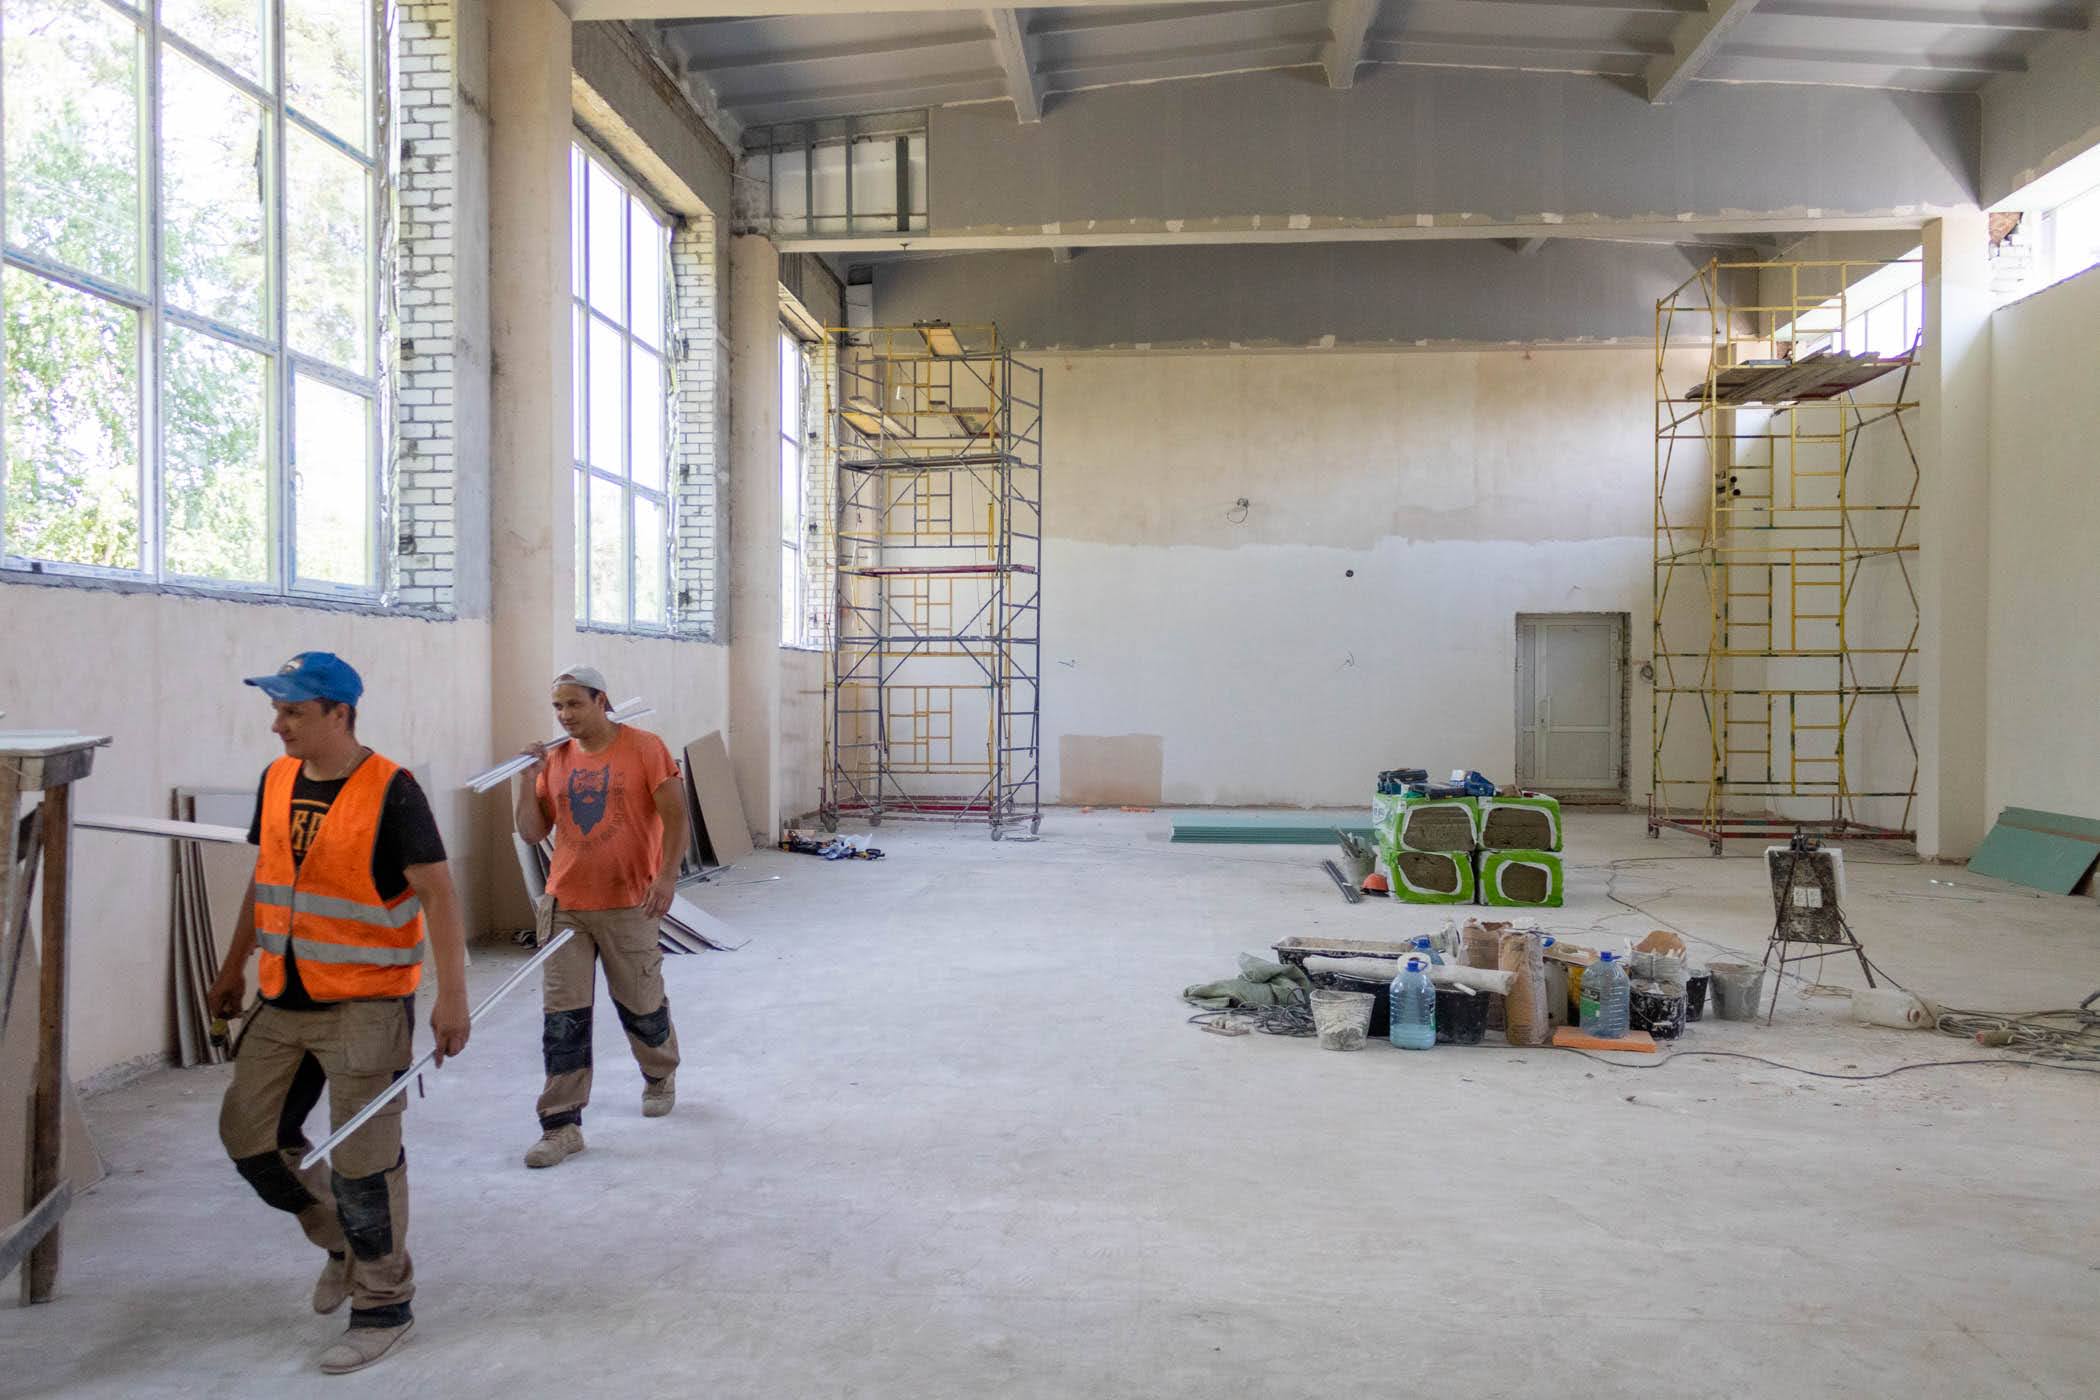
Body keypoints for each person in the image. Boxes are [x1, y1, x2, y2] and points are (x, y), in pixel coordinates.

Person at [206, 652, 471, 1375]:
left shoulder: (392, 791)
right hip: (282, 996)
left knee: (365, 1164)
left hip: (366, 1004)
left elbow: (439, 894)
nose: (278, 724)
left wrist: (452, 996)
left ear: (339, 713)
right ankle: (341, 1242)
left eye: (293, 711)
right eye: (277, 709)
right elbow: (266, 878)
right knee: (250, 1139)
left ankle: (384, 1306)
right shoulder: (277, 779)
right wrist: (232, 967)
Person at [512, 665, 687, 1168]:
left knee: (641, 1002)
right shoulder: (555, 760)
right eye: (558, 706)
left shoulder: (644, 748)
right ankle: (561, 1125)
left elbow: (676, 815)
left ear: (601, 701)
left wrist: (667, 877)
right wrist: (526, 782)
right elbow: (532, 832)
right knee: (563, 1019)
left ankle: (659, 1073)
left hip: (629, 901)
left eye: (574, 703)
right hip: (566, 905)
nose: (565, 715)